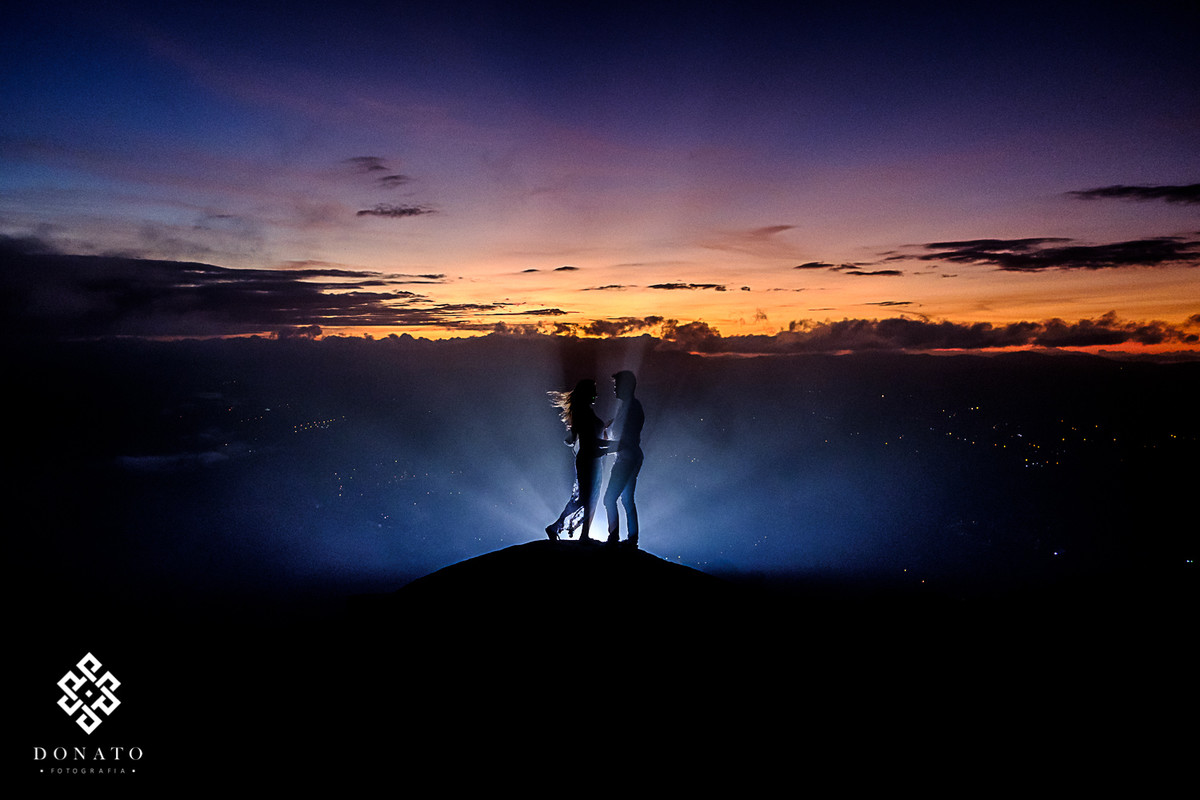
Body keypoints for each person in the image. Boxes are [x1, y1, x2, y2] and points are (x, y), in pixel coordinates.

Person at [546, 379, 614, 543]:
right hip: (589, 459)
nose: (596, 395)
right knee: (586, 498)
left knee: (590, 498)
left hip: (592, 458)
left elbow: (577, 438)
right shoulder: (583, 413)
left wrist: (603, 430)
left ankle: (580, 533)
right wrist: (617, 445)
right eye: (593, 392)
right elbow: (591, 441)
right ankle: (558, 528)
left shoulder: (584, 412)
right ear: (586, 393)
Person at [603, 370, 644, 548]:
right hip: (630, 457)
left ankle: (614, 538)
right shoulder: (630, 406)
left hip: (626, 459)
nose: (614, 389)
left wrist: (599, 449)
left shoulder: (631, 408)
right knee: (627, 499)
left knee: (609, 499)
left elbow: (624, 440)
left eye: (616, 385)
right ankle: (632, 540)